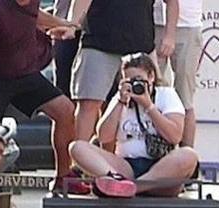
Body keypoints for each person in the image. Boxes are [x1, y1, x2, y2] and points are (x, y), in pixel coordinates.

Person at [0, 0, 88, 200]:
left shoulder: (30, 4)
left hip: (24, 74)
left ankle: (63, 177)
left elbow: (35, 14)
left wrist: (61, 23)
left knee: (65, 110)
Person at [70, 52, 199, 197]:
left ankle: (132, 188)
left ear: (151, 77)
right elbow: (104, 137)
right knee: (77, 147)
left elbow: (174, 136)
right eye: (129, 81)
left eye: (139, 80)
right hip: (126, 167)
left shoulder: (166, 95)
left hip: (161, 169)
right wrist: (120, 102)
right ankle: (117, 181)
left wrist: (149, 106)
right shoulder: (120, 98)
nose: (135, 85)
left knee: (189, 155)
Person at [70, 0, 160, 141]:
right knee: (89, 104)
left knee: (150, 101)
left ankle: (113, 160)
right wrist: (72, 25)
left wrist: (170, 36)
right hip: (98, 43)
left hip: (142, 45)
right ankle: (81, 157)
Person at [153, 0, 201, 147]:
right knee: (151, 93)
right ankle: (152, 155)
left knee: (184, 98)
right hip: (153, 21)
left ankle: (187, 160)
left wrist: (170, 35)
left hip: (188, 24)